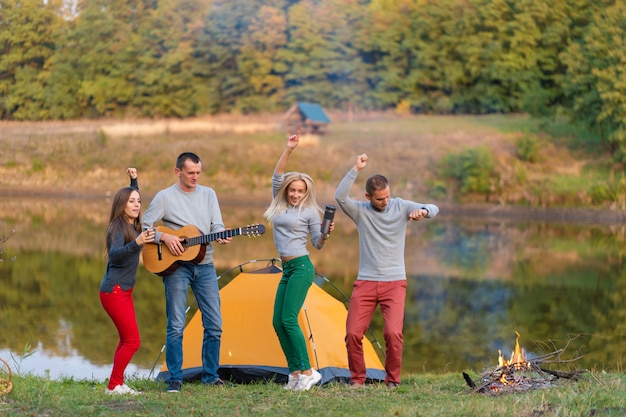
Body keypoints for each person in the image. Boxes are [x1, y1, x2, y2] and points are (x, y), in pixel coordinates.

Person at [334, 153, 439, 389]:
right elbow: (340, 197)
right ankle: (357, 380)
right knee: (352, 334)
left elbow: (434, 207)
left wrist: (423, 211)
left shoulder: (400, 206)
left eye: (388, 196)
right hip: (366, 282)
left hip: (394, 282)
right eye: (380, 199)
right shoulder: (360, 211)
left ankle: (392, 380)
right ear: (368, 196)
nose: (386, 202)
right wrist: (356, 168)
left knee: (393, 334)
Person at [142, 152, 232, 393]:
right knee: (176, 325)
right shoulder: (164, 197)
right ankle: (174, 379)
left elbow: (216, 225)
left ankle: (211, 376)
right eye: (191, 173)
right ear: (178, 171)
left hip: (205, 265)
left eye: (198, 173)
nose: (195, 177)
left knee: (214, 323)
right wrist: (165, 236)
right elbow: (144, 226)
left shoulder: (209, 194)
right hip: (175, 268)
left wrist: (221, 233)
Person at [263, 132, 332, 391]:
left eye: (300, 191)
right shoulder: (279, 204)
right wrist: (289, 149)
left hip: (302, 267)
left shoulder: (312, 212)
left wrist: (325, 234)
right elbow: (276, 176)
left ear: (306, 192)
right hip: (287, 269)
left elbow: (318, 244)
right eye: (292, 190)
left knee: (289, 318)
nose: (295, 194)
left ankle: (308, 371)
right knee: (277, 321)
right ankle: (294, 373)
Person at [100, 168, 155, 395]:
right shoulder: (118, 227)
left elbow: (133, 195)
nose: (136, 204)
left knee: (126, 340)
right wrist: (138, 242)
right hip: (114, 291)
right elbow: (115, 254)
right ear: (122, 205)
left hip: (123, 290)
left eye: (139, 201)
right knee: (132, 341)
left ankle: (116, 384)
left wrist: (134, 180)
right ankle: (114, 385)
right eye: (131, 201)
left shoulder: (131, 224)